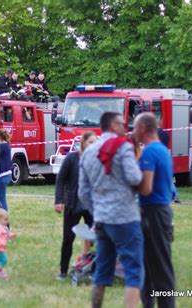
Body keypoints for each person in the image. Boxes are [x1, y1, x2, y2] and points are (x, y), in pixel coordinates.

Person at [79, 112, 144, 308]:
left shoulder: (88, 152)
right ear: (114, 125)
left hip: (101, 219)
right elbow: (134, 178)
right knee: (134, 270)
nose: (125, 127)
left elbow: (83, 191)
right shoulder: (123, 147)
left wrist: (97, 209)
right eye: (123, 124)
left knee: (102, 270)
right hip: (125, 217)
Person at [134, 113, 176, 308]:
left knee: (159, 266)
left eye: (135, 128)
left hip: (153, 213)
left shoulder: (150, 152)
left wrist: (129, 183)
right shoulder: (162, 150)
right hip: (161, 212)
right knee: (148, 266)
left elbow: (146, 188)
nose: (133, 132)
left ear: (143, 128)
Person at [55, 131, 97, 280]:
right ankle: (63, 271)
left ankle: (87, 266)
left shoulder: (97, 159)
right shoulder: (72, 158)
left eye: (95, 142)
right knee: (68, 239)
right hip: (73, 203)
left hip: (92, 206)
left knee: (93, 237)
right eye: (90, 142)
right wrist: (59, 200)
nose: (93, 145)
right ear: (83, 143)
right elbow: (60, 179)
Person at [0, 129, 12, 211]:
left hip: (3, 174)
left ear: (0, 137)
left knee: (1, 197)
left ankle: (4, 215)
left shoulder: (2, 146)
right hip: (5, 173)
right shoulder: (6, 145)